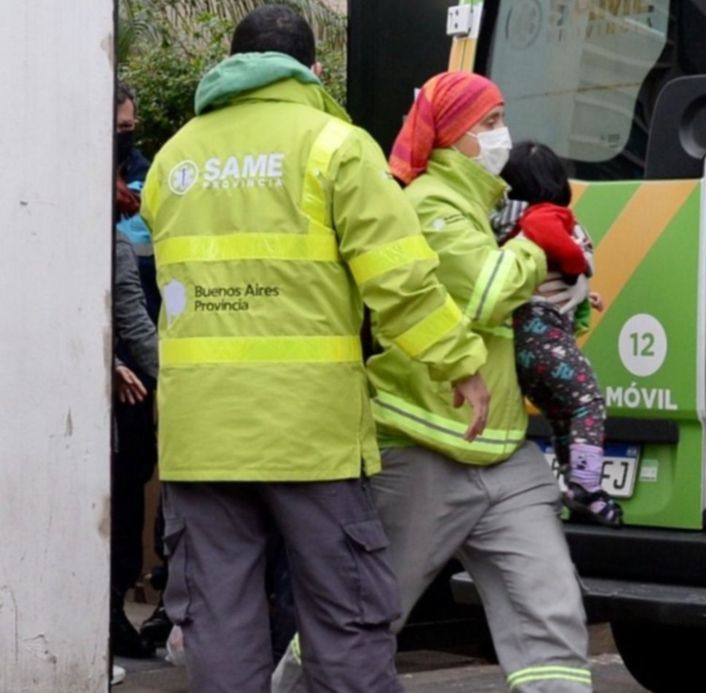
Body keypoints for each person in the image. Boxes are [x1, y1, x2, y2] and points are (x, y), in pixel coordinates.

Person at [140, 8, 492, 691]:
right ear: (313, 70)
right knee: (345, 619)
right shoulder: (337, 145)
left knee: (218, 622)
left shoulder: (173, 157)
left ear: (231, 64)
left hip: (201, 434)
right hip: (311, 434)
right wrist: (460, 362)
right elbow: (398, 277)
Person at [272, 71, 595, 693]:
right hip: (422, 449)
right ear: (452, 137)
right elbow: (484, 295)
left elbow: (522, 308)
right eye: (490, 123)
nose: (504, 135)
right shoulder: (426, 207)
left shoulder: (484, 208)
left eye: (503, 118)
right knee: (365, 618)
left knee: (552, 615)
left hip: (502, 448)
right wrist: (537, 245)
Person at [493, 142, 621, 527]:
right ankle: (584, 485)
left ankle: (577, 485)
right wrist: (578, 264)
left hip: (525, 338)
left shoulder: (506, 220)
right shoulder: (544, 213)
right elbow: (548, 236)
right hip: (542, 333)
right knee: (587, 403)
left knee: (563, 413)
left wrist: (584, 291)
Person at [111, 82, 161, 661]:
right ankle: (108, 616)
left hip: (137, 383)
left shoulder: (148, 175)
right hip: (135, 381)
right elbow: (129, 314)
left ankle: (115, 612)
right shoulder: (113, 240)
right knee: (124, 504)